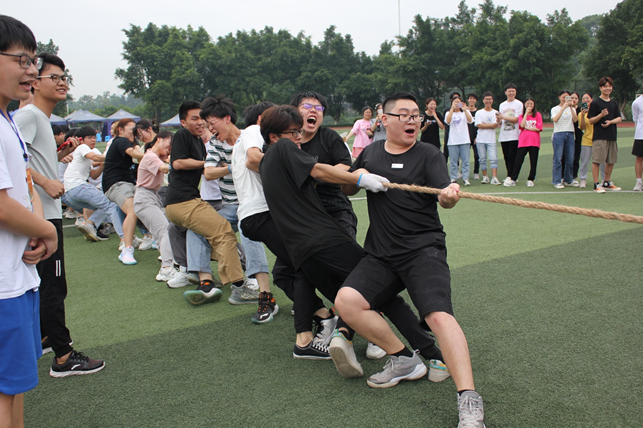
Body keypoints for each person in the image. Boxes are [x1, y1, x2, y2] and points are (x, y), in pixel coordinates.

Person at [336, 91, 485, 427]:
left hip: (423, 250)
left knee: (438, 316)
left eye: (415, 115)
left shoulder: (428, 154)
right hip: (381, 254)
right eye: (403, 115)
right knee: (346, 302)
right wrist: (357, 177)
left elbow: (444, 198)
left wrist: (450, 195)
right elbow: (347, 188)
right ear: (384, 120)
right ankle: (403, 358)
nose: (412, 121)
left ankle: (469, 399)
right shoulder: (371, 152)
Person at [12, 51, 105, 379]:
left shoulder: (39, 118)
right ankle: (64, 357)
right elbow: (11, 158)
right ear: (35, 82)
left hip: (44, 212)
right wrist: (45, 181)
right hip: (40, 214)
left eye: (64, 77)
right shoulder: (28, 115)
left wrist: (58, 153)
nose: (62, 82)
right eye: (54, 77)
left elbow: (29, 157)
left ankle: (45, 337)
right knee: (53, 284)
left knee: (46, 282)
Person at [0, 15, 58, 426]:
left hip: (17, 276)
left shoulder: (8, 121)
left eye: (33, 61)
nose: (31, 71)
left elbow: (24, 183)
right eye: (21, 60)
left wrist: (38, 230)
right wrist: (46, 230)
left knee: (15, 386)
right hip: (4, 284)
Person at [196, 95, 274, 320]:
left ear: (227, 118)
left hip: (259, 205)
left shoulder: (251, 135)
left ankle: (264, 290)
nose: (210, 129)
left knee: (248, 228)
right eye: (207, 125)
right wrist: (233, 166)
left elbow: (257, 159)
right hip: (235, 207)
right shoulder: (218, 143)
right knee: (200, 228)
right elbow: (208, 172)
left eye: (212, 123)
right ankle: (207, 282)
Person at [164, 100, 245, 305]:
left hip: (184, 201)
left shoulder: (199, 141)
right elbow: (177, 163)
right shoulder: (183, 135)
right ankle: (240, 285)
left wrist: (216, 165)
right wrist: (212, 164)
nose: (201, 122)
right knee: (223, 231)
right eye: (194, 119)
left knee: (198, 232)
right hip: (183, 201)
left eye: (203, 118)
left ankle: (205, 283)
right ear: (183, 122)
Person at [61, 126, 124, 242]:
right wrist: (114, 157)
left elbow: (93, 175)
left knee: (103, 206)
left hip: (70, 195)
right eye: (89, 137)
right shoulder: (82, 147)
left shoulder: (83, 155)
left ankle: (89, 224)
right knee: (111, 205)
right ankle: (124, 239)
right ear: (81, 140)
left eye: (94, 137)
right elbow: (95, 157)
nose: (93, 140)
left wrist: (104, 164)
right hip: (78, 187)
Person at [133, 131, 176, 282]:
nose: (169, 149)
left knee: (163, 231)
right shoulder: (151, 156)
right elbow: (165, 169)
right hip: (145, 198)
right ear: (159, 139)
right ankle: (166, 268)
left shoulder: (155, 156)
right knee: (164, 230)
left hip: (151, 196)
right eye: (169, 145)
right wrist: (180, 165)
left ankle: (169, 261)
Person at [102, 118, 144, 263]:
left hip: (126, 183)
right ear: (120, 130)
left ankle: (138, 238)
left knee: (140, 208)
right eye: (132, 129)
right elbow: (133, 153)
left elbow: (136, 151)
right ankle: (127, 249)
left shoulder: (130, 142)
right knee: (132, 211)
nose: (134, 132)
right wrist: (154, 156)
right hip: (116, 184)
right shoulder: (121, 141)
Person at [588, 77, 622, 193]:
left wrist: (611, 122)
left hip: (612, 135)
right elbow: (591, 120)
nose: (608, 88)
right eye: (605, 86)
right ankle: (596, 184)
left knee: (611, 160)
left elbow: (619, 118)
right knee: (597, 160)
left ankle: (607, 182)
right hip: (599, 136)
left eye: (610, 86)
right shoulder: (595, 103)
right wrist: (601, 115)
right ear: (600, 88)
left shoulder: (614, 103)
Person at [506, 97, 542, 187]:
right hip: (524, 141)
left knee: (533, 161)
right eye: (527, 104)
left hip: (534, 141)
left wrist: (528, 128)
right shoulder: (521, 116)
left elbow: (538, 128)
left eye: (531, 104)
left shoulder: (537, 115)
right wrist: (526, 113)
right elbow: (522, 125)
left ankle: (530, 179)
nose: (529, 105)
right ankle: (513, 178)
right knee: (518, 160)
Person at [550, 90, 578, 189]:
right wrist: (563, 107)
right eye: (563, 97)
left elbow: (575, 120)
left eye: (567, 97)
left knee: (570, 158)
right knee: (558, 158)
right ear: (559, 97)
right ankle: (557, 180)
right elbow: (555, 119)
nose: (565, 99)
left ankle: (568, 179)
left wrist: (570, 107)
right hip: (559, 133)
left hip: (570, 133)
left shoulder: (572, 108)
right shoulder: (555, 109)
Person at [578, 93, 605, 188]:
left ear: (592, 99)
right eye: (583, 98)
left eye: (587, 98)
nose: (586, 100)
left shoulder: (597, 111)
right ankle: (583, 179)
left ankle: (604, 179)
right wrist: (582, 116)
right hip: (587, 140)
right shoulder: (581, 114)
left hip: (598, 139)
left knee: (602, 161)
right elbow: (582, 127)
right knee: (585, 161)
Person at [498, 83, 523, 183]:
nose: (511, 93)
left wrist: (503, 117)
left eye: (513, 91)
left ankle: (512, 176)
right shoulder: (502, 105)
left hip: (515, 134)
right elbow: (501, 120)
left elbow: (517, 119)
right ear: (505, 92)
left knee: (513, 156)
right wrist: (499, 119)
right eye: (509, 91)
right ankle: (510, 175)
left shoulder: (519, 104)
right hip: (504, 134)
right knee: (506, 157)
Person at [474, 91, 501, 185]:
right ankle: (485, 177)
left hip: (491, 139)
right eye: (486, 99)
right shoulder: (479, 112)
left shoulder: (495, 112)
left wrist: (485, 124)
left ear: (492, 100)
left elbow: (495, 125)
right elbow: (479, 125)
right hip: (480, 139)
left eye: (490, 99)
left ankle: (494, 177)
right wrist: (490, 125)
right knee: (482, 159)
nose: (488, 101)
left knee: (493, 159)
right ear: (483, 100)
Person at [445, 95, 473, 185]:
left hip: (464, 140)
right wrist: (452, 109)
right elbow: (448, 121)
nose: (457, 104)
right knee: (453, 161)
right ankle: (453, 178)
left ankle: (466, 178)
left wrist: (465, 109)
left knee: (466, 161)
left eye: (458, 102)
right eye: (455, 102)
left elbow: (470, 120)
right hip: (453, 141)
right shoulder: (448, 113)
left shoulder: (465, 112)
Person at [631, 88, 643, 191]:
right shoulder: (636, 102)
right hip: (640, 134)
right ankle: (639, 182)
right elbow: (635, 119)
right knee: (639, 158)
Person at [467, 93, 480, 180]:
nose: (472, 100)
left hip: (476, 137)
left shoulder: (478, 112)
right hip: (466, 137)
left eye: (473, 99)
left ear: (476, 100)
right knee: (465, 157)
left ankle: (476, 172)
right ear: (468, 100)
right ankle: (464, 172)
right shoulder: (464, 111)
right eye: (470, 98)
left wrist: (477, 137)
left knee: (477, 156)